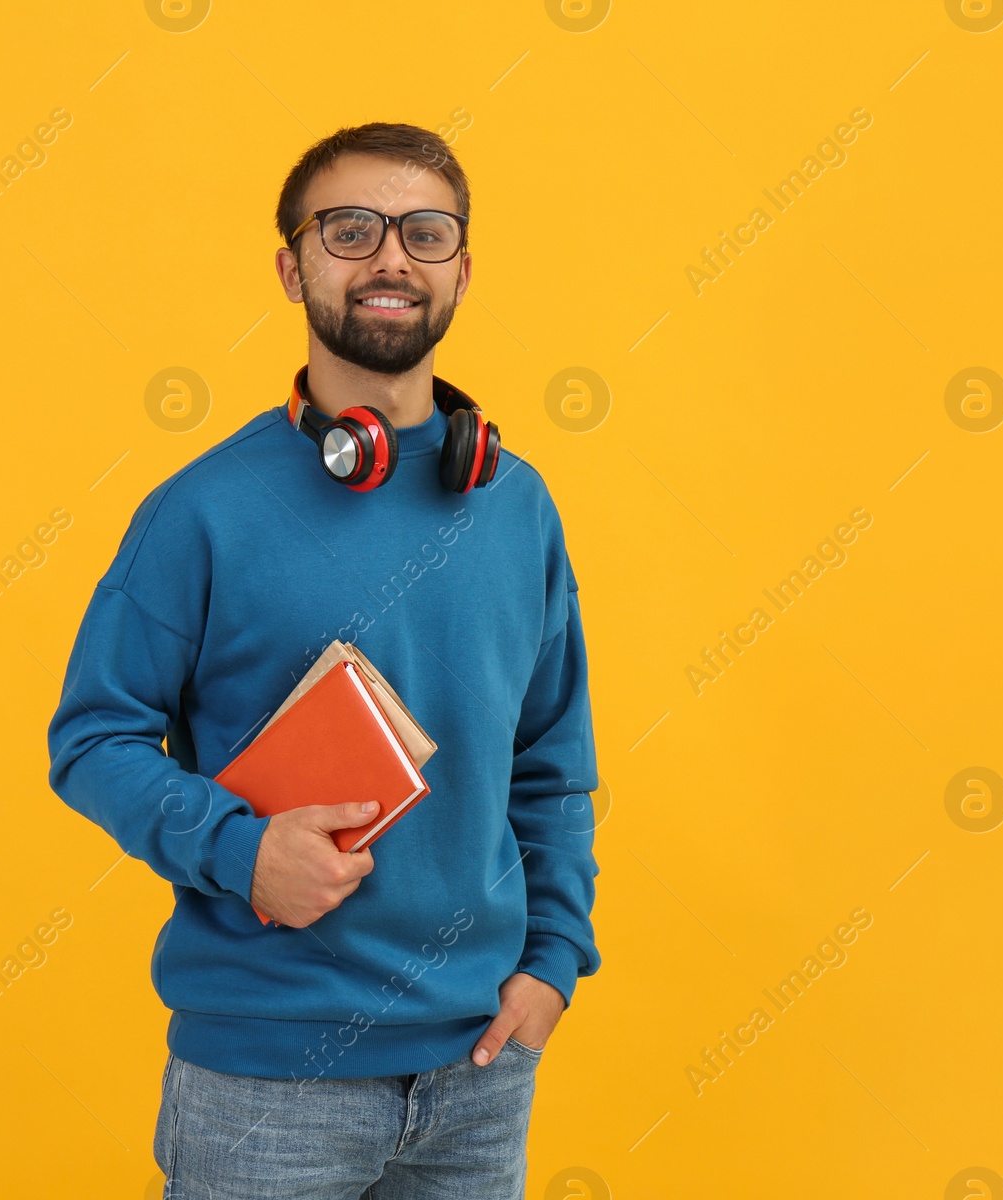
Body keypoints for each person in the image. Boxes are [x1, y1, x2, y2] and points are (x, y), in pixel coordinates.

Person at [46, 121, 600, 1199]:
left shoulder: (517, 504)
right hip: (266, 1091)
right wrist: (240, 850)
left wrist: (552, 962)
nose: (391, 257)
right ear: (292, 266)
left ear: (462, 270)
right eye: (351, 230)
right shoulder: (202, 511)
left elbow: (550, 758)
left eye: (423, 234)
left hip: (481, 1072)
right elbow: (92, 739)